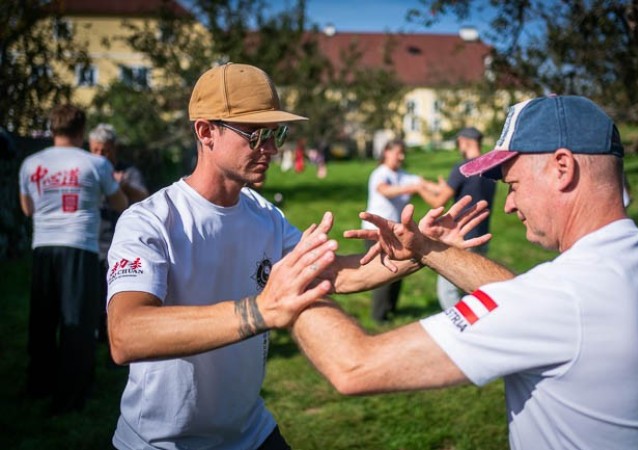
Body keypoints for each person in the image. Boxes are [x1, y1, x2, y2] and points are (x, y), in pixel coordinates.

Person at [291, 95, 638, 449]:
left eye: (514, 184)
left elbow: (355, 366)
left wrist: (285, 278)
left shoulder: (562, 299)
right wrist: (426, 248)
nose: (508, 204)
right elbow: (525, 300)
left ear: (562, 168)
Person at [105, 63, 427, 450]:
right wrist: (260, 311)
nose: (271, 149)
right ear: (205, 131)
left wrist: (418, 253)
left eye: (276, 133)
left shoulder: (265, 215)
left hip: (251, 432)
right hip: (163, 442)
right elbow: (125, 334)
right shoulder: (150, 221)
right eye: (255, 134)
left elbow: (332, 274)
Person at [18, 104, 127, 414]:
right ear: (81, 131)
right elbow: (119, 203)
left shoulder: (30, 164)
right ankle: (71, 393)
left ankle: (39, 383)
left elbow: (27, 209)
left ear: (52, 129)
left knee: (43, 318)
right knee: (77, 321)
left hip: (43, 246)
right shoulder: (95, 164)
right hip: (80, 246)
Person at [362, 139, 441, 323]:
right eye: (398, 153)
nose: (402, 157)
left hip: (396, 232)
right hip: (376, 232)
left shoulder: (403, 175)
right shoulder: (380, 173)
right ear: (387, 152)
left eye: (403, 153)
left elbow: (423, 183)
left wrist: (443, 188)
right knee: (383, 272)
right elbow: (385, 190)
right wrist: (412, 188)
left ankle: (392, 309)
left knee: (398, 271)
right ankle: (379, 316)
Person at [88, 123, 149, 344]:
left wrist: (121, 186)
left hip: (119, 244)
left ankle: (115, 338)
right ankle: (96, 336)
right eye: (95, 150)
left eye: (104, 151)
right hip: (92, 243)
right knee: (92, 296)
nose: (100, 155)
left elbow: (144, 197)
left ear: (114, 148)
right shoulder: (87, 170)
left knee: (114, 295)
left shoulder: (128, 172)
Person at [428, 127, 496, 309]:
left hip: (461, 236)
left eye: (458, 142)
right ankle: (476, 319)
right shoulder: (490, 167)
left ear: (465, 141)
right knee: (471, 287)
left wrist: (418, 188)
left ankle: (458, 323)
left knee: (448, 290)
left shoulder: (463, 169)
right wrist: (445, 186)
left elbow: (438, 202)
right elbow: (470, 189)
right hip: (482, 235)